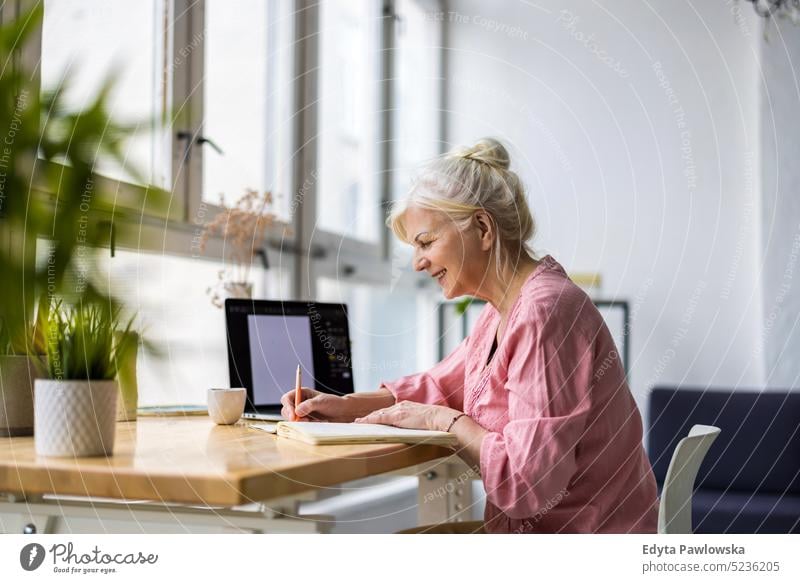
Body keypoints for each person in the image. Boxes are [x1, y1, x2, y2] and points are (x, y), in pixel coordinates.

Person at [281, 138, 658, 534]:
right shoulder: (501, 311)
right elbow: (441, 386)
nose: (417, 263)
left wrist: (443, 420)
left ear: (482, 228)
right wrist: (345, 406)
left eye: (426, 242)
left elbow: (526, 483)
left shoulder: (544, 313)